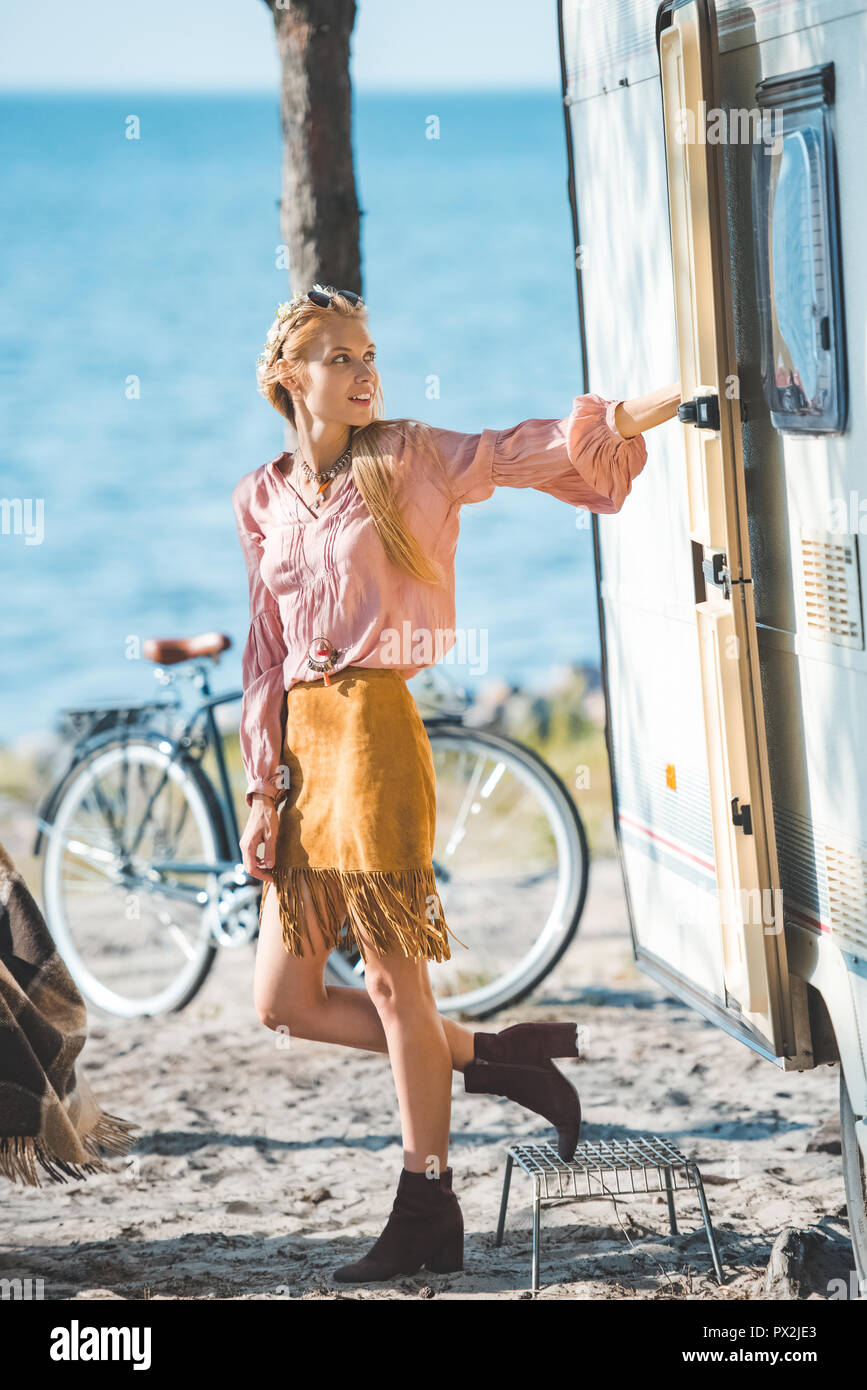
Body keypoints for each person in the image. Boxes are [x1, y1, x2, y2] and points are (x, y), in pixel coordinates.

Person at [232, 284, 680, 1283]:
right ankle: (498, 1056)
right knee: (283, 1000)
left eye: (368, 351)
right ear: (285, 377)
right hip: (303, 752)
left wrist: (635, 412)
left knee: (394, 984)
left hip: (379, 736)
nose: (362, 369)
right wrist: (263, 788)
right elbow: (264, 650)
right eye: (338, 355)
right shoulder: (259, 497)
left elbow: (518, 450)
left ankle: (427, 1201)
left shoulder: (407, 458)